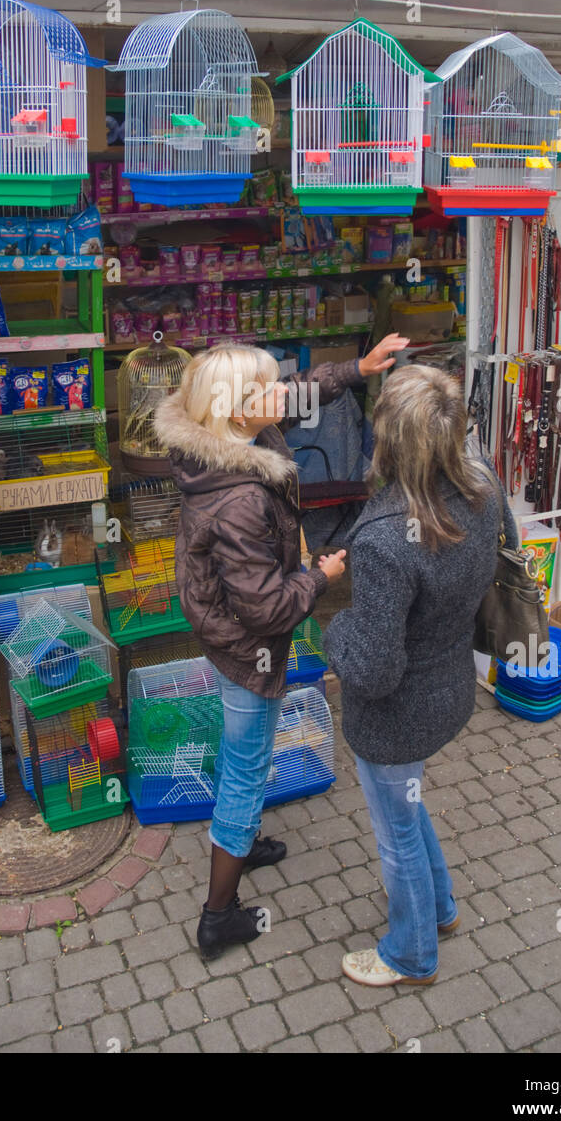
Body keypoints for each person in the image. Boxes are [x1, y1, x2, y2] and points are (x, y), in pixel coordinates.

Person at [154, 334, 407, 961]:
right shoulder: (239, 498)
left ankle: (245, 840)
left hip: (223, 633)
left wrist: (358, 368)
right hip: (247, 648)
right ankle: (219, 916)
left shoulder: (232, 439)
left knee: (247, 754)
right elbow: (266, 607)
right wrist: (321, 576)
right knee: (245, 768)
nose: (281, 393)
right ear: (239, 410)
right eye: (265, 388)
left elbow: (297, 393)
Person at [324, 364, 519, 987]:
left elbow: (376, 669)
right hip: (449, 687)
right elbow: (500, 554)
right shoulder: (483, 482)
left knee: (395, 832)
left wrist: (330, 635)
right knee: (407, 807)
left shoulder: (386, 539)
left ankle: (409, 956)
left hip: (396, 716)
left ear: (389, 438)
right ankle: (440, 910)